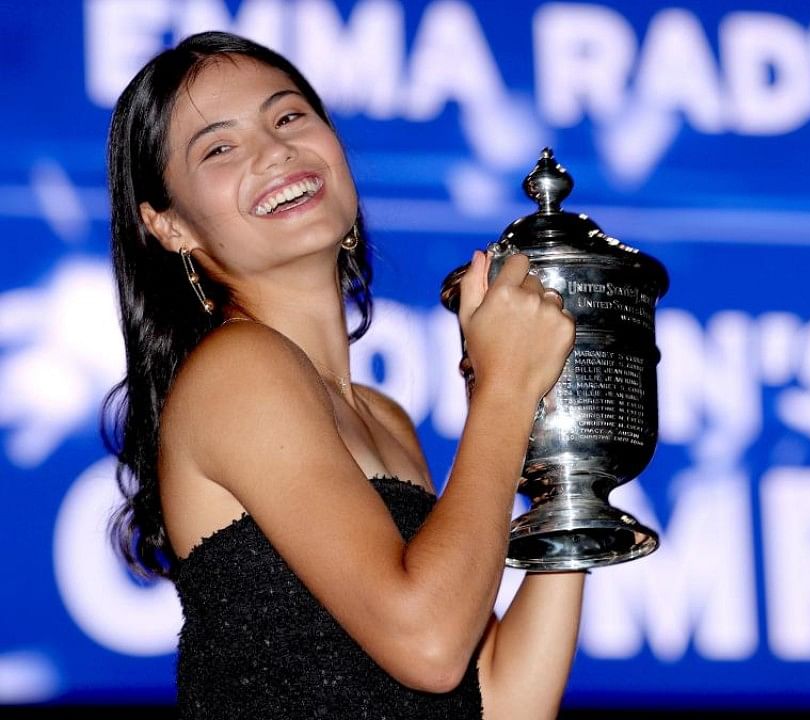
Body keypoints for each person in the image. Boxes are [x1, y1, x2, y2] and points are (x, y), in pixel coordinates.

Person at [101, 30, 581, 719]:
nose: (275, 151)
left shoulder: (383, 418)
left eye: (289, 116)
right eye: (220, 148)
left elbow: (503, 701)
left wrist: (571, 473)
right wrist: (503, 390)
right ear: (171, 226)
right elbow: (427, 642)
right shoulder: (238, 372)